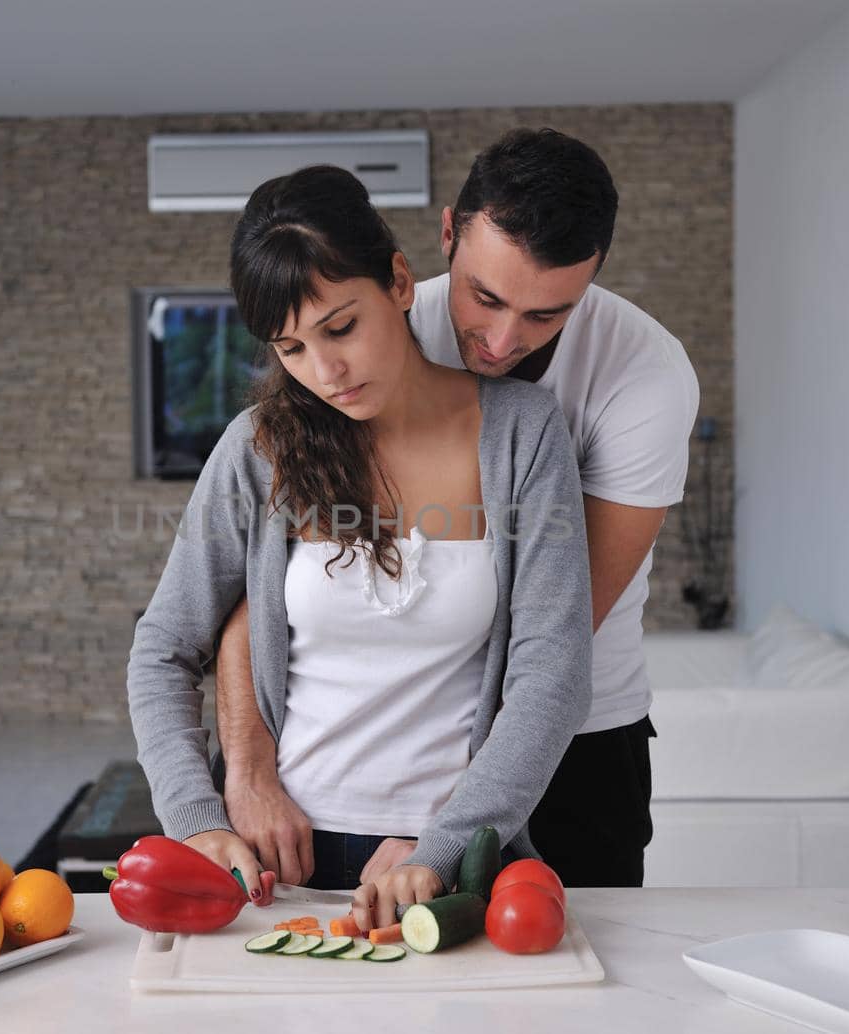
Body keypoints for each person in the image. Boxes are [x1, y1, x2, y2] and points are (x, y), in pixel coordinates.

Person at [216, 128, 700, 888]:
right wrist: (246, 770)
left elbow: (541, 642)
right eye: (486, 297)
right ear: (444, 238)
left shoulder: (646, 375)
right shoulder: (372, 320)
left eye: (548, 315)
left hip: (579, 734)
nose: (504, 339)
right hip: (401, 761)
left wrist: (434, 827)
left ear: (594, 274)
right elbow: (264, 584)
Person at [127, 165, 593, 930]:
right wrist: (195, 817)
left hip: (451, 865)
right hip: (276, 864)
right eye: (292, 348)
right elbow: (163, 646)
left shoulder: (521, 433)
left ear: (401, 281)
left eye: (340, 328)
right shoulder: (260, 448)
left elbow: (554, 674)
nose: (326, 372)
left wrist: (440, 849)